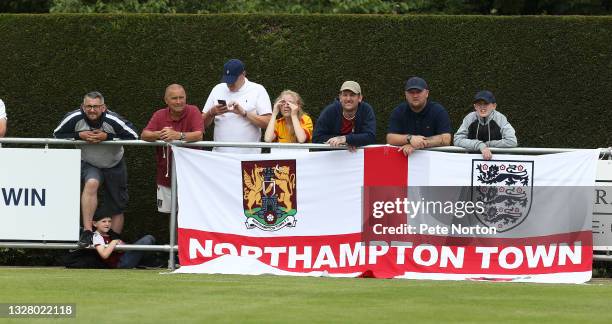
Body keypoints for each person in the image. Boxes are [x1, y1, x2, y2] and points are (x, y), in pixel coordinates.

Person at [53, 91, 138, 248]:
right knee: (91, 183)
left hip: (114, 163)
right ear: (82, 107)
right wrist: (79, 135)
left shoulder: (113, 120)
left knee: (117, 204)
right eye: (88, 106)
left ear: (103, 107)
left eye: (96, 107)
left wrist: (108, 137)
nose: (92, 110)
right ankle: (87, 232)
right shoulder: (74, 117)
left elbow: (134, 135)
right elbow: (57, 134)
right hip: (89, 162)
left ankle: (113, 241)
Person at [141, 84, 204, 213]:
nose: (179, 101)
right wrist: (160, 134)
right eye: (174, 98)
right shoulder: (159, 114)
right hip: (166, 176)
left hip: (191, 176)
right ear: (166, 100)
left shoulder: (193, 110)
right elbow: (144, 135)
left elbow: (199, 135)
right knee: (170, 214)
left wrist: (178, 136)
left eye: (182, 97)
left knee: (191, 214)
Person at [201, 59, 272, 153]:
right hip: (220, 156)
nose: (229, 84)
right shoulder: (217, 89)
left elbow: (268, 122)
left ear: (243, 74)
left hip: (248, 158)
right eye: (227, 80)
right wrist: (211, 113)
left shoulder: (257, 89)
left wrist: (244, 113)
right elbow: (200, 125)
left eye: (233, 80)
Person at [386, 77, 452, 156]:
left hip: (434, 161)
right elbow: (390, 138)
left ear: (427, 93)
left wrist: (418, 144)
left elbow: (446, 139)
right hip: (405, 160)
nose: (415, 95)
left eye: (419, 92)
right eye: (411, 92)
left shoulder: (438, 111)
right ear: (405, 94)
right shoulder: (398, 111)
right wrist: (410, 139)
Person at [454, 90, 517, 160]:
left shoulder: (500, 118)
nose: (482, 107)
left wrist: (487, 145)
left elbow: (512, 141)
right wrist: (480, 145)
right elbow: (457, 139)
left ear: (494, 106)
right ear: (475, 106)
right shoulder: (469, 118)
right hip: (471, 162)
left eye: (486, 104)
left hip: (498, 162)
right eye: (479, 104)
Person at [312, 81, 376, 150]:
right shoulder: (330, 111)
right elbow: (316, 138)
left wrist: (347, 139)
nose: (348, 99)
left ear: (360, 98)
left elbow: (370, 136)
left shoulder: (366, 110)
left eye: (352, 95)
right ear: (340, 97)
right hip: (333, 156)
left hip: (356, 157)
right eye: (345, 95)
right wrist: (343, 141)